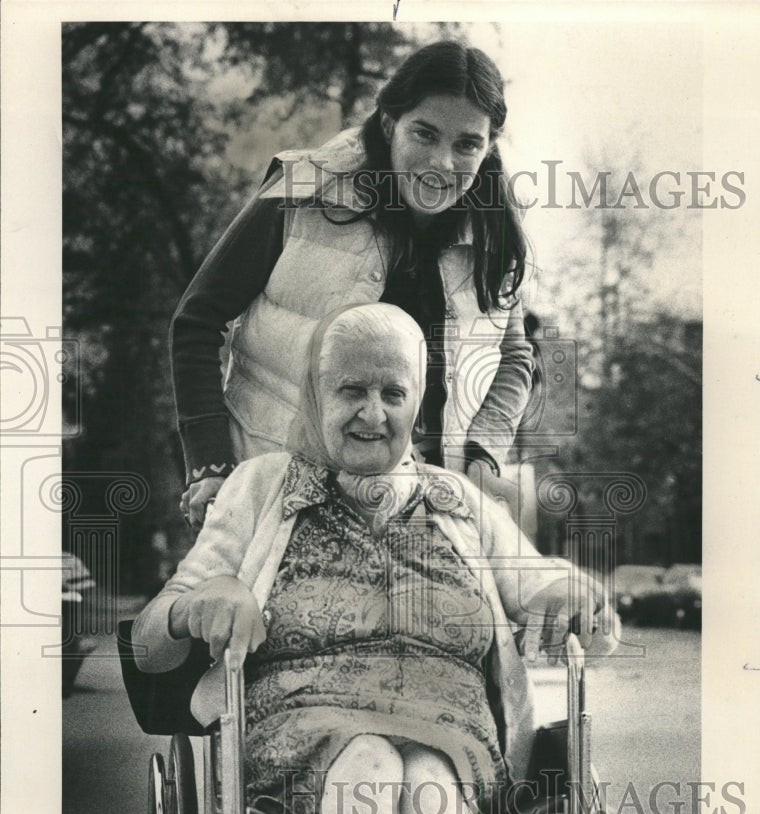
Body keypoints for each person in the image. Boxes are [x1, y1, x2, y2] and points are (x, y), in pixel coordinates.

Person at [136, 304, 615, 814]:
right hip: (305, 719)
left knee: (430, 788)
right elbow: (153, 638)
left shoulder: (459, 500)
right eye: (350, 390)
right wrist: (198, 603)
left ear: (416, 401)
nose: (373, 412)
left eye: (392, 392)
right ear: (313, 392)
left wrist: (579, 598)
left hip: (449, 728)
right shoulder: (259, 488)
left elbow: (538, 578)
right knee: (369, 760)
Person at [172, 39, 534, 532]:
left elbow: (516, 359)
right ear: (389, 124)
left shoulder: (496, 238)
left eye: (467, 144)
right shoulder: (301, 191)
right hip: (275, 495)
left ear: (489, 145)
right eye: (424, 134)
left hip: (421, 512)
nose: (442, 163)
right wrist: (211, 468)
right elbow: (197, 319)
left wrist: (482, 453)